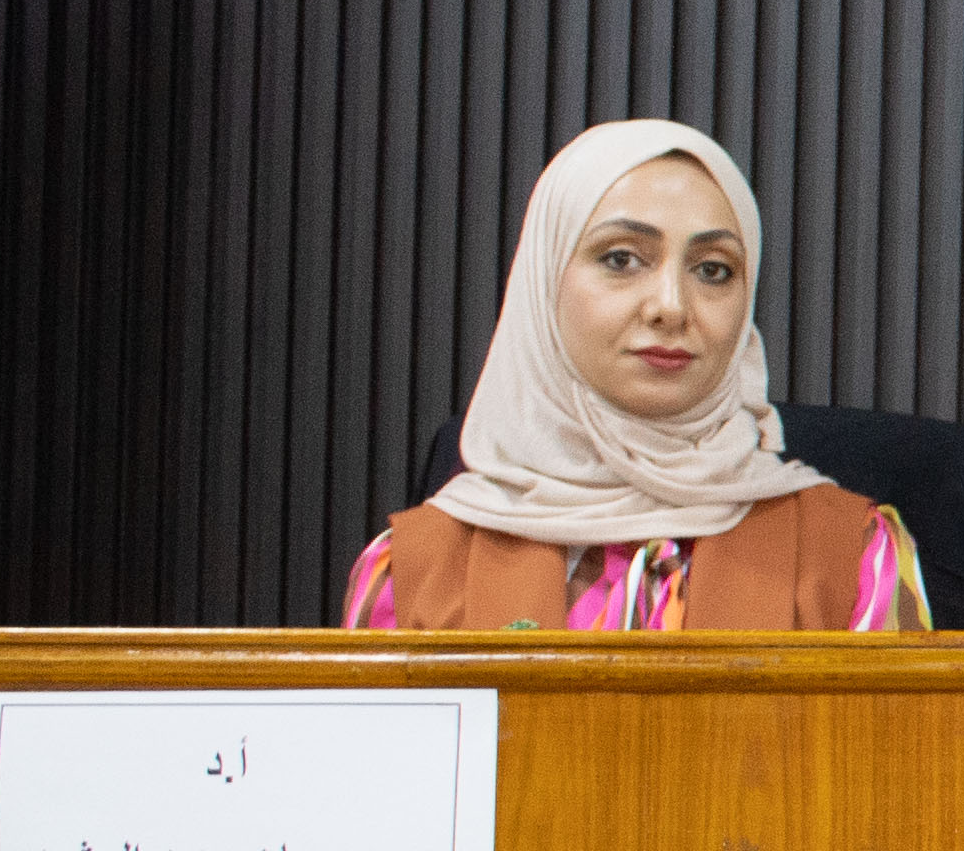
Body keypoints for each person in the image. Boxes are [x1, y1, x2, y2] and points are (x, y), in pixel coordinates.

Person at [344, 117, 932, 633]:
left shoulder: (850, 557)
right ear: (543, 283)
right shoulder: (414, 571)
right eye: (621, 259)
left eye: (713, 269)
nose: (671, 307)